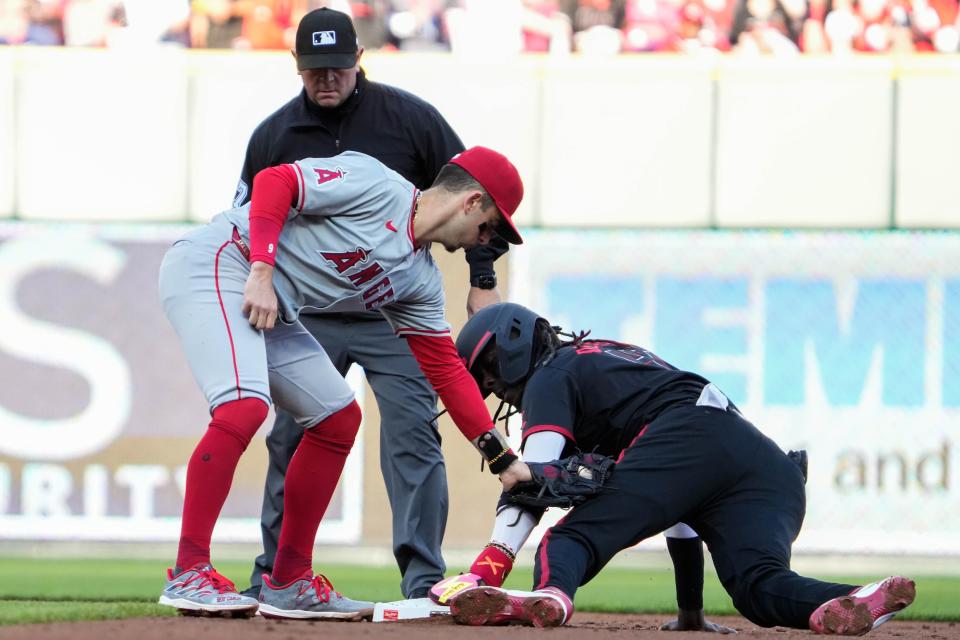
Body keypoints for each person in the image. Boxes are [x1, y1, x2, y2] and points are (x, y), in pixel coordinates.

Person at [156, 147, 528, 619]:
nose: (485, 240)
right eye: (490, 226)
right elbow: (276, 181)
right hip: (226, 259)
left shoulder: (420, 279)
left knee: (337, 417)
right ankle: (189, 571)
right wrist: (263, 269)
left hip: (272, 302)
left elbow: (447, 373)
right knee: (243, 407)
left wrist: (503, 461)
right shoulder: (377, 184)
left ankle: (289, 581)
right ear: (472, 201)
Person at [232, 7, 508, 601]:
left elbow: (475, 202)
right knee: (290, 439)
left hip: (394, 316)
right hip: (310, 314)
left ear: (359, 60)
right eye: (314, 69)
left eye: (336, 66)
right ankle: (275, 577)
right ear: (297, 67)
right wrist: (258, 276)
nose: (326, 79)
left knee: (412, 439)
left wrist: (481, 276)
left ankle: (424, 583)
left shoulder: (411, 120)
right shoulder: (274, 134)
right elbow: (250, 213)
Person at [442, 302, 917, 635]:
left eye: (487, 373)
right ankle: (859, 596)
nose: (491, 389)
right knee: (758, 588)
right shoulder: (604, 356)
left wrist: (492, 562)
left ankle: (551, 596)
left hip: (689, 436)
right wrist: (690, 609)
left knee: (569, 538)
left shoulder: (552, 373)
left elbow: (533, 477)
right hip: (762, 463)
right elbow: (682, 497)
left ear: (510, 345)